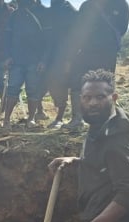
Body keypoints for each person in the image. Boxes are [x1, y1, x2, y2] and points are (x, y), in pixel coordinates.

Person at [48, 69, 129, 222]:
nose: (92, 103)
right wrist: (77, 161)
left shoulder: (116, 139)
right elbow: (107, 166)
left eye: (100, 97)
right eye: (87, 97)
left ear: (114, 97)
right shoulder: (101, 124)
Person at [63, 0, 129, 130]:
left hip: (107, 52)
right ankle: (77, 119)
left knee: (105, 85)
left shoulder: (121, 4)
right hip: (85, 51)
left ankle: (105, 119)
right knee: (77, 83)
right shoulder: (86, 5)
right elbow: (78, 29)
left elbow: (122, 28)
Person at [1, 0, 50, 130]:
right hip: (16, 61)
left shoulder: (41, 14)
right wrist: (7, 57)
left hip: (34, 61)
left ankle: (31, 119)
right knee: (12, 90)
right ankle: (6, 121)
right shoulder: (14, 16)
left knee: (33, 91)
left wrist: (43, 60)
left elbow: (48, 41)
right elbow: (7, 38)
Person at [44, 0, 78, 129]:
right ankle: (59, 116)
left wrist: (68, 59)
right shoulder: (49, 11)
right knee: (54, 86)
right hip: (51, 56)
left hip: (66, 56)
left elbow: (75, 36)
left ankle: (62, 118)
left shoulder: (70, 11)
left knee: (64, 85)